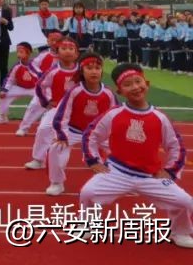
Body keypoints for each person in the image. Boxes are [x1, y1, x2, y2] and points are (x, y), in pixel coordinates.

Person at [80, 63, 193, 249]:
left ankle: (180, 231)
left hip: (150, 175)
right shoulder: (113, 114)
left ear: (146, 84)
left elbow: (176, 146)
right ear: (120, 91)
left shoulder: (160, 117)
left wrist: (171, 171)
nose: (135, 87)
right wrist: (93, 160)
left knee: (185, 201)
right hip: (117, 171)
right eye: (128, 84)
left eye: (138, 82)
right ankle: (89, 223)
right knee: (88, 193)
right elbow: (91, 135)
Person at [42, 52, 117, 196]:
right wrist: (62, 134)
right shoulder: (75, 91)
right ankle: (56, 182)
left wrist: (113, 136)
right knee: (55, 148)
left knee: (122, 151)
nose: (94, 71)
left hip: (96, 133)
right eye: (89, 68)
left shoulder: (108, 93)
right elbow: (62, 114)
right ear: (82, 71)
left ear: (102, 70)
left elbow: (114, 116)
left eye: (97, 68)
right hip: (73, 130)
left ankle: (121, 180)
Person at [24, 37, 81, 170]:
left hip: (80, 110)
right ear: (57, 52)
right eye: (64, 48)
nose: (67, 51)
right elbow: (40, 86)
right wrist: (45, 102)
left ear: (77, 53)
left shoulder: (83, 71)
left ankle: (104, 160)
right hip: (59, 109)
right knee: (43, 129)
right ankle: (38, 159)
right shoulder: (52, 71)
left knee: (97, 133)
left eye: (71, 49)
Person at [0, 42, 43, 128]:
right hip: (20, 88)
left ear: (28, 53)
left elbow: (42, 77)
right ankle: (2, 116)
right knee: (3, 95)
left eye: (21, 52)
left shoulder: (35, 65)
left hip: (34, 89)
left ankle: (46, 118)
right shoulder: (16, 66)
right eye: (17, 52)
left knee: (44, 99)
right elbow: (9, 79)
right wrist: (4, 90)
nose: (18, 54)